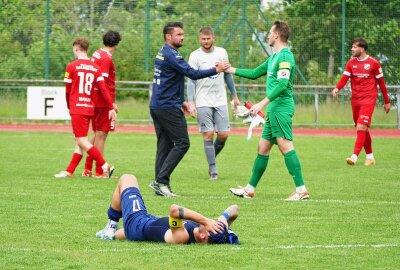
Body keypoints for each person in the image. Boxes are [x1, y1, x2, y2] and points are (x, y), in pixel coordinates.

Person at [227, 21, 310, 201]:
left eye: (270, 33)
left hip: (281, 109)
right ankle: (249, 190)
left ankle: (301, 190)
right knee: (262, 148)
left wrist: (261, 103)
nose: (268, 35)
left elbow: (281, 85)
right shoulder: (273, 58)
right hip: (273, 110)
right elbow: (254, 73)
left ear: (277, 36)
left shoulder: (286, 57)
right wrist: (229, 69)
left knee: (285, 146)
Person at [149, 22, 230, 197]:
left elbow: (168, 82)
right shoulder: (171, 55)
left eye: (183, 34)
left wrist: (182, 101)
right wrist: (216, 69)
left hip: (159, 105)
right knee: (182, 143)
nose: (182, 37)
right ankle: (161, 181)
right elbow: (192, 74)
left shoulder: (164, 53)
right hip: (167, 107)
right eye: (178, 34)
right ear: (168, 37)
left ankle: (160, 186)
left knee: (164, 146)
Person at [96, 174, 239, 244]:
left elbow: (174, 210)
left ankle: (111, 224)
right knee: (116, 235)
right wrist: (224, 223)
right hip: (147, 224)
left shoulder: (182, 237)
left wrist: (206, 220)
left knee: (127, 178)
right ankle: (110, 234)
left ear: (203, 236)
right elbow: (235, 209)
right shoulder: (212, 230)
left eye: (210, 226)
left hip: (138, 224)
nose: (211, 222)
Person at [54, 37, 116, 179]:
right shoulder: (96, 68)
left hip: (77, 107)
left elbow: (68, 91)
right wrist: (110, 106)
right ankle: (69, 171)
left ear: (76, 49)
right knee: (79, 141)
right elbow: (104, 90)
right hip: (89, 107)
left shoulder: (71, 66)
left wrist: (70, 106)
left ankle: (105, 166)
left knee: (82, 140)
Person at [187, 27, 240, 180]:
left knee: (223, 134)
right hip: (203, 100)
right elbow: (191, 80)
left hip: (220, 100)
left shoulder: (222, 53)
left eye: (208, 38)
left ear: (213, 38)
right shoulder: (194, 56)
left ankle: (211, 159)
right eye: (203, 39)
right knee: (208, 134)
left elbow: (228, 76)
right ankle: (213, 170)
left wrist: (234, 96)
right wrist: (191, 101)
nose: (206, 41)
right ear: (199, 39)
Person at [332, 38, 391, 166]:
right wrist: (337, 88)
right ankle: (370, 157)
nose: (352, 49)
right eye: (352, 47)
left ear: (362, 49)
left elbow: (382, 84)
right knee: (362, 129)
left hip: (369, 99)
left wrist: (387, 101)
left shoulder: (374, 63)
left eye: (354, 47)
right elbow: (344, 78)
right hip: (355, 100)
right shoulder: (351, 63)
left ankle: (354, 157)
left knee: (361, 126)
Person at [82, 30, 121, 178]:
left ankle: (87, 169)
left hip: (94, 99)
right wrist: (110, 103)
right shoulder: (106, 58)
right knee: (101, 135)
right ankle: (100, 171)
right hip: (102, 101)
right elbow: (102, 82)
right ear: (116, 44)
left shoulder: (97, 53)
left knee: (97, 134)